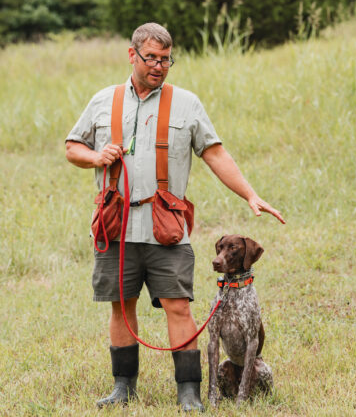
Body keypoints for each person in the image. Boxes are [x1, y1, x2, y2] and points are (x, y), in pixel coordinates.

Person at [65, 22, 285, 412]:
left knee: (178, 306)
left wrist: (251, 194)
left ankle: (189, 393)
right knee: (121, 305)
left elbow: (214, 153)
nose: (159, 66)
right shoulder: (104, 100)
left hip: (165, 225)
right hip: (115, 224)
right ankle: (123, 388)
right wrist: (96, 156)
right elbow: (72, 147)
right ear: (132, 55)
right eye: (151, 57)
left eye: (166, 60)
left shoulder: (187, 103)